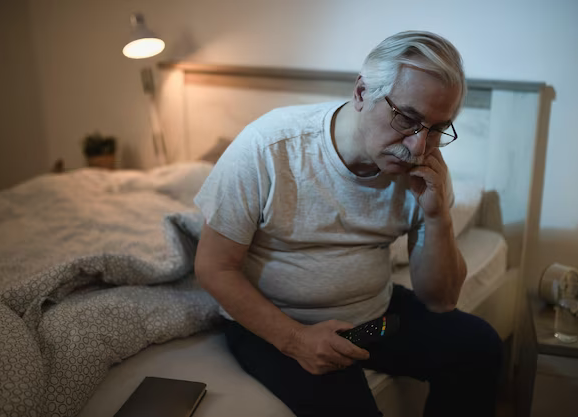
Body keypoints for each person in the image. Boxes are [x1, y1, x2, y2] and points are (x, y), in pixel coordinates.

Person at [194, 30, 503, 417]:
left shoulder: (426, 169)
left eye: (438, 128)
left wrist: (437, 216)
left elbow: (440, 301)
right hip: (278, 327)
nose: (418, 147)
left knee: (477, 345)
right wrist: (296, 340)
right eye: (407, 119)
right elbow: (213, 266)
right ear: (361, 93)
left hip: (373, 324)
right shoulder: (269, 147)